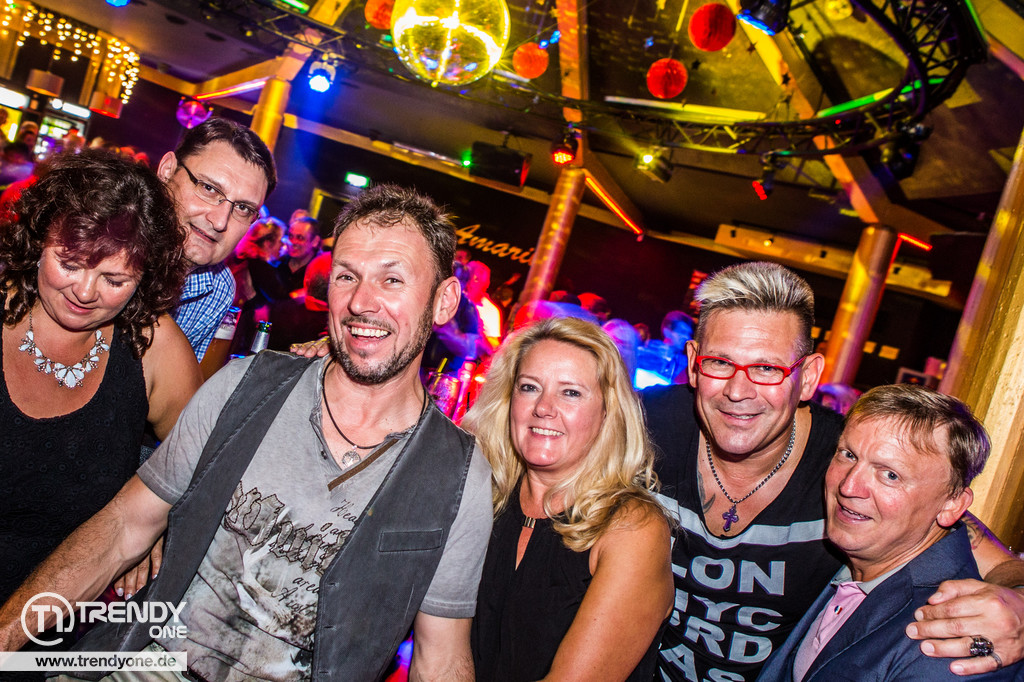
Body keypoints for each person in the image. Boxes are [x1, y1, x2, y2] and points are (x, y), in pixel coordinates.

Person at [0, 184, 492, 681]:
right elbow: (124, 528)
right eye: (347, 276)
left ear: (444, 300)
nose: (362, 302)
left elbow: (441, 656)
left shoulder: (456, 474)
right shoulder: (246, 387)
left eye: (392, 280)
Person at [643, 261, 1024, 682]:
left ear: (808, 377)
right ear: (694, 363)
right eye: (719, 362)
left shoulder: (846, 461)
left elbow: (970, 544)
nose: (738, 391)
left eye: (767, 369)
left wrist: (1020, 604)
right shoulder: (642, 427)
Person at [0, 149, 201, 609]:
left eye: (115, 280)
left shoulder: (154, 348)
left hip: (60, 622)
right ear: (38, 240)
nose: (85, 292)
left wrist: (157, 522)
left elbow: (201, 470)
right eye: (69, 264)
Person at [758, 384, 1021, 680]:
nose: (848, 486)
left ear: (952, 505)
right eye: (848, 454)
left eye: (890, 475)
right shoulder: (863, 551)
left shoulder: (951, 634)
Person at [465, 316, 673, 681]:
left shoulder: (632, 529)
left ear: (607, 413)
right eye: (529, 387)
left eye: (571, 393)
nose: (544, 407)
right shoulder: (485, 498)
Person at [156, 117, 277, 361]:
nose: (220, 221)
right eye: (209, 189)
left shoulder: (217, 289)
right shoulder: (99, 239)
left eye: (243, 208)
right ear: (167, 170)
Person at [279, 215, 322, 293]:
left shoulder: (319, 273)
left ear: (315, 241)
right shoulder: (279, 263)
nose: (293, 242)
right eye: (291, 236)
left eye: (300, 238)